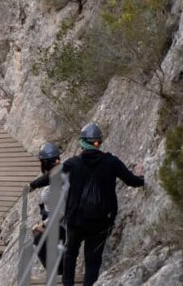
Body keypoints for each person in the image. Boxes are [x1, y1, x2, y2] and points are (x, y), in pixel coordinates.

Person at [30, 122, 144, 286]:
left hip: (76, 220)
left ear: (81, 143)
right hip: (101, 221)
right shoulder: (111, 162)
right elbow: (132, 181)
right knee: (93, 261)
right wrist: (140, 176)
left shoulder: (73, 163)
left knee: (70, 255)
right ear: (99, 142)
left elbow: (52, 176)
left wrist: (33, 185)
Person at [29, 142, 66, 275]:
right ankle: (58, 272)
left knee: (38, 239)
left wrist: (43, 224)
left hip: (61, 225)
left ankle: (58, 273)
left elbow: (61, 212)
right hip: (60, 223)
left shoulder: (57, 181)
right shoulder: (61, 174)